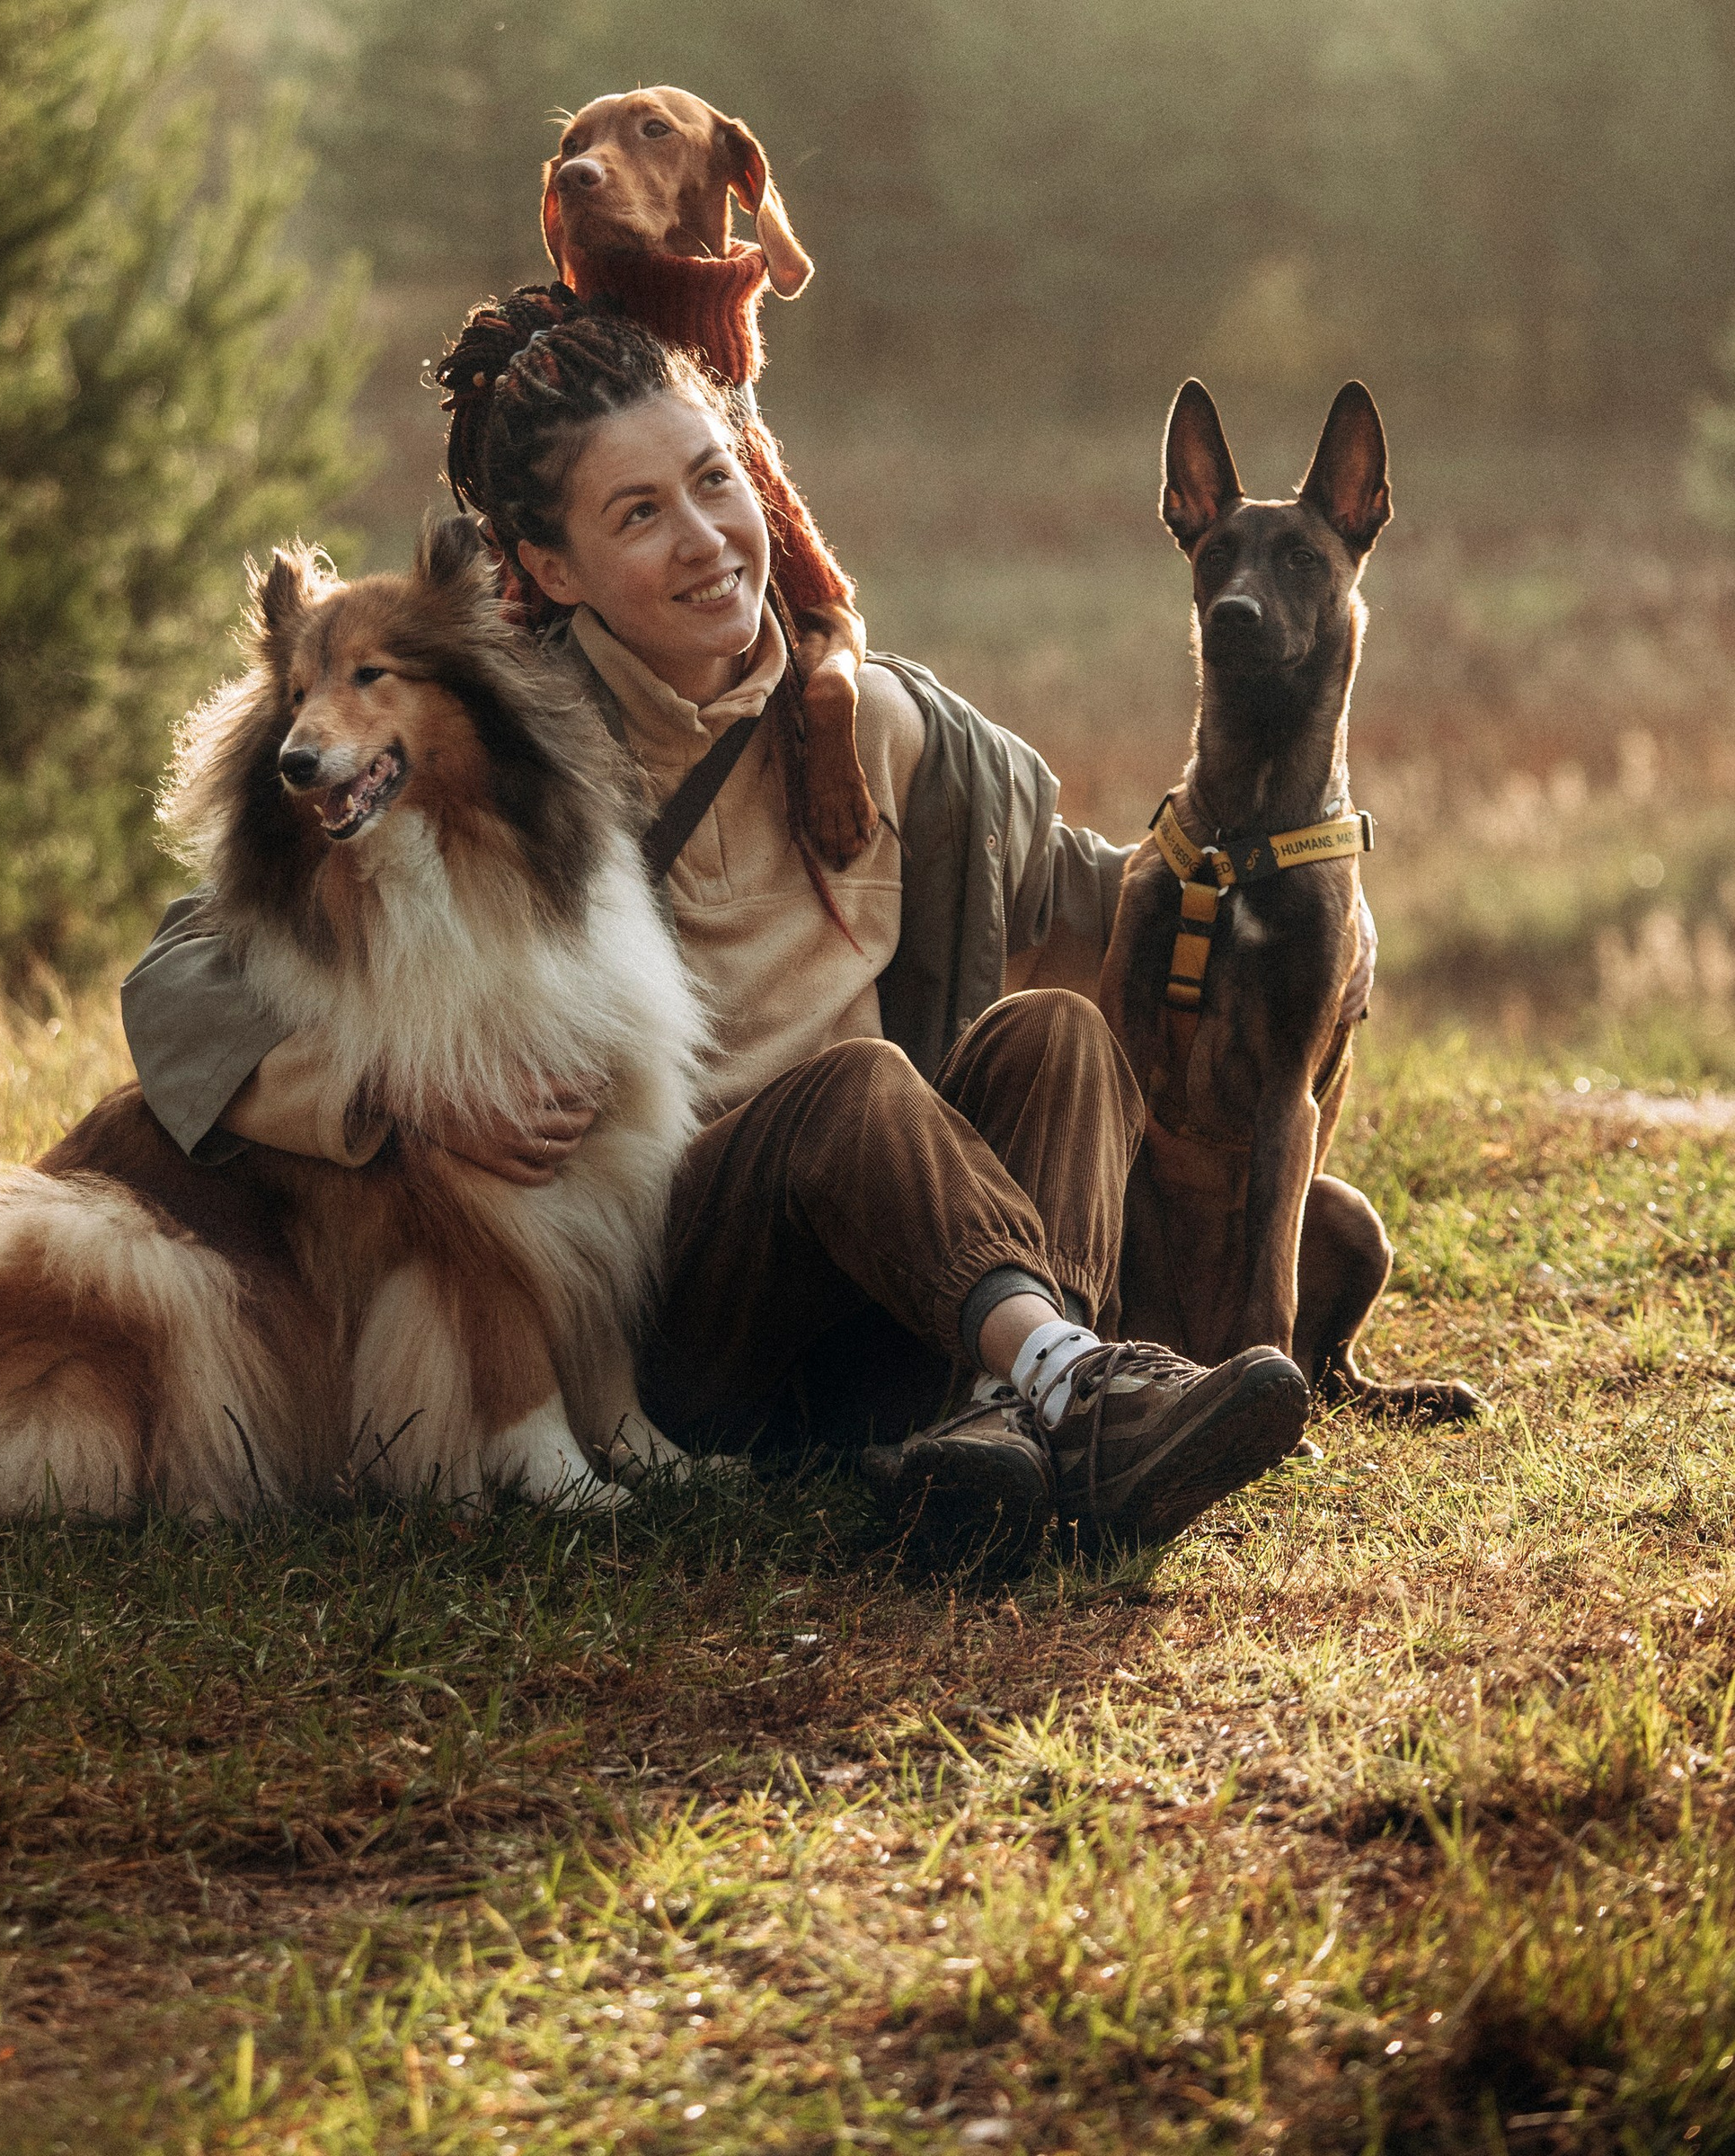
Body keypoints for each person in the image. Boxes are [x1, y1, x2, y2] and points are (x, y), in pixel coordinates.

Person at [122, 287, 1314, 1569]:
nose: (706, 540)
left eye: (713, 480)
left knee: (1057, 1039)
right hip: (682, 1313)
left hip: (909, 1276)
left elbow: (1104, 892)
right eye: (640, 515)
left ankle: (1006, 1428)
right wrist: (404, 1107)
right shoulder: (513, 759)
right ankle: (1079, 1398)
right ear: (549, 572)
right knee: (852, 1086)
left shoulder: (885, 725)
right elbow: (187, 978)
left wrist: (1306, 877)